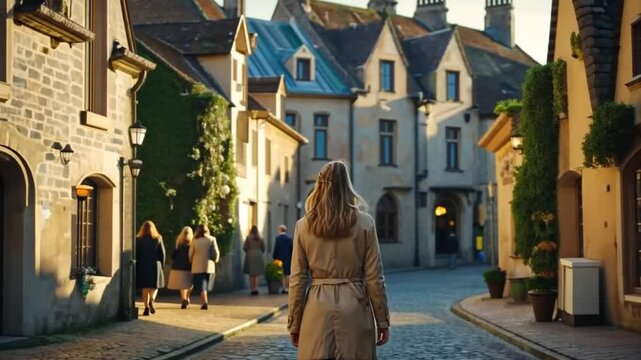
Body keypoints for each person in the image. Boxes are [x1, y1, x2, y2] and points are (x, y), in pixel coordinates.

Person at [288, 160, 390, 359]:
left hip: (316, 310)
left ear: (319, 186)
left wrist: (294, 323)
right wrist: (382, 320)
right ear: (347, 185)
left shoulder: (303, 225)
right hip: (355, 306)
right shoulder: (365, 223)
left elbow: (297, 279)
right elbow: (374, 277)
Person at [135, 220, 166, 316]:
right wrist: (162, 265)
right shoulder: (158, 238)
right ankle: (152, 300)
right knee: (154, 286)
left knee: (145, 287)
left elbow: (137, 254)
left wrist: (137, 266)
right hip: (155, 265)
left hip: (143, 265)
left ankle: (146, 307)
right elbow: (162, 253)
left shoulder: (138, 239)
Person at [189, 224, 219, 310]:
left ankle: (205, 302)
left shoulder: (194, 241)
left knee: (201, 285)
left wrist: (192, 261)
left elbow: (190, 254)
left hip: (197, 266)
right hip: (209, 266)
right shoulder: (212, 239)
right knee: (205, 284)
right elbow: (216, 252)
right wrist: (215, 260)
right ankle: (205, 301)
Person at [167, 226, 194, 309]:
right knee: (190, 284)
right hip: (188, 266)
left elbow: (173, 254)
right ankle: (187, 298)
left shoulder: (179, 241)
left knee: (182, 285)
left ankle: (184, 299)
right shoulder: (192, 242)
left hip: (178, 266)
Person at [243, 225, 265, 295]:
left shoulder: (248, 238)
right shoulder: (260, 238)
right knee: (257, 274)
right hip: (258, 256)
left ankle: (252, 289)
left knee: (251, 274)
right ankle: (256, 288)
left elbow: (245, 247)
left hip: (250, 255)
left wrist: (249, 251)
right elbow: (263, 248)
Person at [272, 224, 293, 294]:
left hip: (279, 259)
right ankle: (288, 288)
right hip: (288, 258)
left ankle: (283, 288)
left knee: (282, 274)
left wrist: (274, 257)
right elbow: (292, 249)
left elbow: (276, 249)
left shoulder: (278, 239)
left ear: (280, 230)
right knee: (288, 274)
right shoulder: (289, 239)